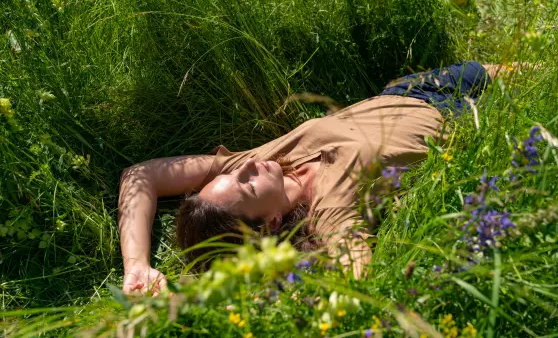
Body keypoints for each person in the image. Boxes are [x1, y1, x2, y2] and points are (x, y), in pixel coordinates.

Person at [118, 61, 509, 295]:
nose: (248, 166)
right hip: (462, 117)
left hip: (405, 90)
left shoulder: (254, 163)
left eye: (238, 171)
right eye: (248, 185)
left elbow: (141, 175)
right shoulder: (330, 207)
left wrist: (135, 264)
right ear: (270, 222)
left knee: (530, 64)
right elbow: (356, 269)